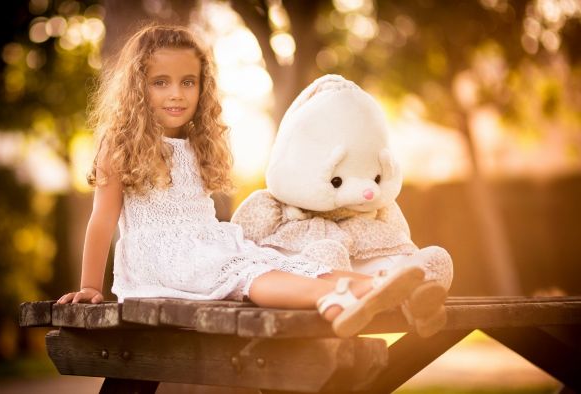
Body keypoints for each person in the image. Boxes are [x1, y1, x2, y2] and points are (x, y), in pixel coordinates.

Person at [57, 24, 425, 338]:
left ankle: (381, 290)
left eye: (188, 82)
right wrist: (90, 286)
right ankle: (338, 296)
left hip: (207, 245)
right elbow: (102, 219)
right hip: (161, 258)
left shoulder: (197, 143)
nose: (176, 93)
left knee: (279, 263)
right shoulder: (121, 145)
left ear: (203, 86)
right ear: (138, 87)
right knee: (250, 275)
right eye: (160, 82)